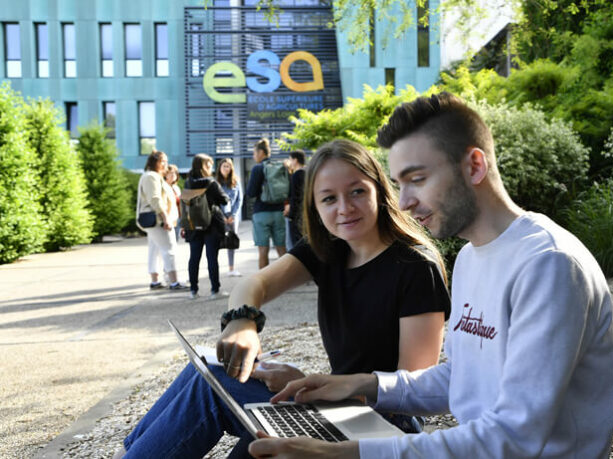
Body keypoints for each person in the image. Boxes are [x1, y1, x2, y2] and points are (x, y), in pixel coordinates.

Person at [251, 93, 613, 458]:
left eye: (417, 179)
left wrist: (341, 454)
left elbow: (514, 437)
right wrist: (359, 384)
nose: (404, 201)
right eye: (399, 184)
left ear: (474, 166)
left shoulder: (549, 265)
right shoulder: (472, 258)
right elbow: (462, 377)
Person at [115, 139, 450, 458]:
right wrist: (243, 323)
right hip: (335, 405)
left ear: (379, 189)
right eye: (329, 199)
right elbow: (254, 284)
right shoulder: (330, 249)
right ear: (315, 208)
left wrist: (310, 386)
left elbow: (412, 394)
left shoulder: (416, 267)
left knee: (215, 386)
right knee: (210, 368)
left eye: (357, 192)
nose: (344, 208)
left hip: (383, 427)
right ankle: (129, 452)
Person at [137, 150, 186, 291]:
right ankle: (174, 282)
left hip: (156, 221)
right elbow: (155, 199)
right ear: (155, 162)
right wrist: (166, 218)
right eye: (162, 161)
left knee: (154, 250)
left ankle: (155, 281)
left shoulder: (152, 176)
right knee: (169, 249)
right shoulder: (151, 177)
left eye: (166, 161)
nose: (165, 164)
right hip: (158, 221)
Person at [184, 153, 230, 300]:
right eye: (209, 165)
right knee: (212, 258)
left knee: (194, 258)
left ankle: (193, 290)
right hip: (211, 224)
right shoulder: (211, 183)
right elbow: (224, 200)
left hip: (194, 224)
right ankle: (214, 290)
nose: (211, 167)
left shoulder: (188, 182)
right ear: (204, 166)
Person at [246, 138, 287, 269]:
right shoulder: (279, 167)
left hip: (261, 213)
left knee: (263, 250)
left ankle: (264, 284)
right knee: (282, 249)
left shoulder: (257, 168)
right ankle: (287, 280)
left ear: (260, 152)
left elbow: (251, 192)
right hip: (279, 212)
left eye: (254, 153)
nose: (253, 156)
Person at [217, 158, 243, 277]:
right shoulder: (215, 182)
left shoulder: (235, 181)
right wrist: (222, 216)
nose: (226, 168)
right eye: (224, 166)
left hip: (233, 217)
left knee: (231, 241)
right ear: (220, 168)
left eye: (228, 166)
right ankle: (214, 268)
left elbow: (239, 199)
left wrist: (233, 215)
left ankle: (231, 268)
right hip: (219, 217)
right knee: (217, 242)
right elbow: (214, 201)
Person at [283, 149, 306, 250]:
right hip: (305, 215)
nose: (290, 162)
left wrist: (291, 215)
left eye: (290, 159)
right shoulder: (308, 172)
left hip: (297, 217)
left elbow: (295, 197)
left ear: (295, 160)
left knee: (296, 246)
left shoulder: (297, 174)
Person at [164, 164, 182, 242]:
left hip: (177, 219)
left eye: (175, 173)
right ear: (165, 174)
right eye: (170, 173)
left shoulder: (176, 188)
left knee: (175, 241)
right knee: (167, 243)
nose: (173, 175)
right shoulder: (163, 186)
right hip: (167, 219)